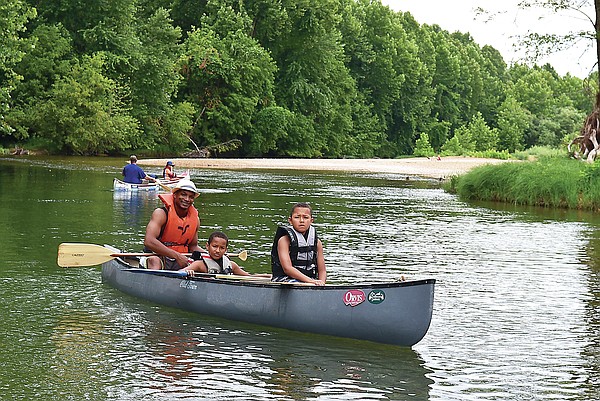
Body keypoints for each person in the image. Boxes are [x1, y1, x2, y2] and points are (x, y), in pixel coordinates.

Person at [143, 179, 204, 274]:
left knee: (202, 264)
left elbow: (193, 246)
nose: (187, 199)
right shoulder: (161, 213)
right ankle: (153, 285)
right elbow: (149, 241)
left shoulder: (195, 220)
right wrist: (176, 256)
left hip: (182, 259)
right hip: (159, 256)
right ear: (175, 195)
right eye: (183, 194)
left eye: (191, 197)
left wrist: (210, 255)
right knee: (154, 261)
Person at [271, 202, 326, 285]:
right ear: (290, 220)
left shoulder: (317, 243)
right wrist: (310, 281)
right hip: (285, 280)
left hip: (309, 280)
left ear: (311, 220)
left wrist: (322, 283)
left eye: (305, 217)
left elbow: (322, 270)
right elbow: (287, 268)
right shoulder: (284, 241)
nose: (301, 221)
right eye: (297, 217)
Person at [189, 231, 271, 277]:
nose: (218, 250)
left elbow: (249, 277)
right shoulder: (199, 264)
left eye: (222, 248)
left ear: (226, 250)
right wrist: (189, 272)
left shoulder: (231, 265)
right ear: (207, 246)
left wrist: (267, 276)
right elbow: (180, 272)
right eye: (214, 246)